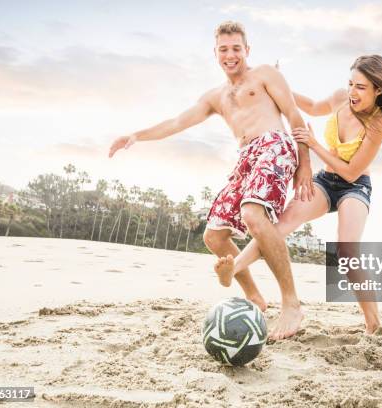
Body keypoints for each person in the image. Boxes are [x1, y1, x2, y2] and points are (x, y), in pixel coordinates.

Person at [215, 54, 382, 337]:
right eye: (351, 84)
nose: (353, 93)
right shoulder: (342, 98)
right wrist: (276, 85)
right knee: (278, 227)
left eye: (361, 87)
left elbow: (352, 172)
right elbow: (313, 107)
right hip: (326, 181)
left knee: (346, 252)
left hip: (354, 187)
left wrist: (314, 145)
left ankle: (373, 324)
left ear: (379, 90)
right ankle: (233, 270)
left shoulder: (378, 124)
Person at [108, 21, 314, 335]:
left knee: (253, 214)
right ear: (215, 53)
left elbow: (295, 115)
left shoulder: (265, 76)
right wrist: (136, 135)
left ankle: (291, 304)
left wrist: (305, 165)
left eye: (236, 48)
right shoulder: (216, 97)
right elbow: (177, 122)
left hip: (275, 145)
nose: (230, 55)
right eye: (223, 49)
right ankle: (255, 298)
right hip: (246, 157)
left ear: (247, 50)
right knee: (214, 236)